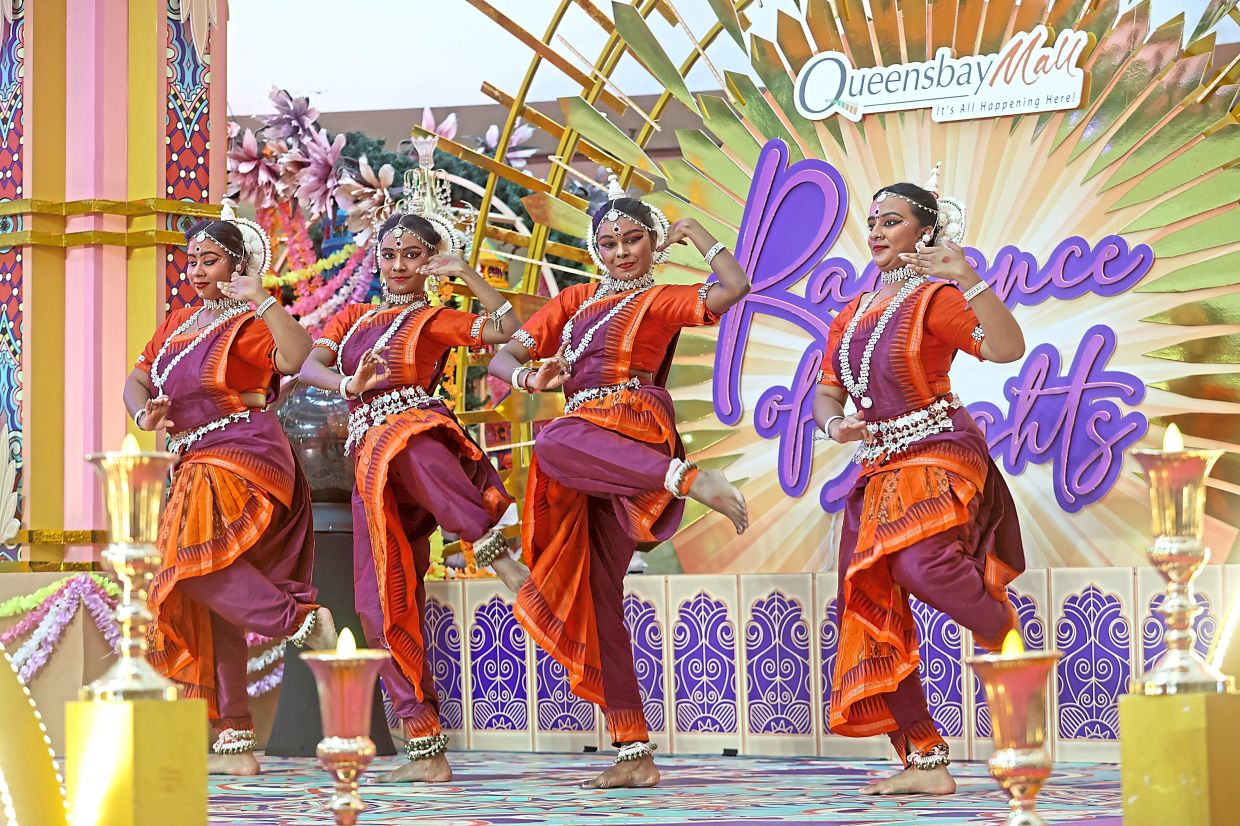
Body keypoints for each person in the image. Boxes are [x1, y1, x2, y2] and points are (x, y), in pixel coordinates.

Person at [489, 177, 750, 789]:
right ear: (595, 248)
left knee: (550, 442)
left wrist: (702, 237)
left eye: (634, 240)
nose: (621, 252)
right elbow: (501, 355)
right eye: (608, 242)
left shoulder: (660, 298)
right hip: (586, 445)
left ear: (654, 245)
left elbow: (732, 288)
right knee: (595, 597)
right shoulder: (575, 300)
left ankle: (687, 478)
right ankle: (634, 750)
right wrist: (533, 379)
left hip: (631, 431)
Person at [812, 167, 1026, 795]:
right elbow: (826, 394)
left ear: (926, 233)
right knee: (874, 597)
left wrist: (967, 277)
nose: (876, 231)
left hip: (937, 449)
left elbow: (1007, 347)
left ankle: (1007, 641)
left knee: (920, 568)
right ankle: (924, 761)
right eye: (873, 221)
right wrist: (836, 429)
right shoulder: (850, 314)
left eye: (893, 221)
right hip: (877, 464)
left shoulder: (936, 298)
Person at [299, 211, 526, 782]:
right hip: (369, 466)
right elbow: (307, 364)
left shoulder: (434, 318)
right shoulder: (354, 317)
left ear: (430, 262)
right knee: (379, 597)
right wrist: (346, 385)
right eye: (391, 254)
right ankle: (425, 747)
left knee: (411, 445)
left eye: (414, 255)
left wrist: (469, 276)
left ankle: (492, 545)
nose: (399, 265)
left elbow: (507, 333)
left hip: (416, 434)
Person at [124, 203, 335, 775]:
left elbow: (293, 357)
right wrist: (145, 413)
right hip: (191, 456)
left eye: (209, 259)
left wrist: (261, 298)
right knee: (200, 590)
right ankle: (236, 742)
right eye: (191, 260)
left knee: (187, 565)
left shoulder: (246, 323)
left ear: (237, 264)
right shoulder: (176, 324)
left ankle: (298, 622)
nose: (195, 270)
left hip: (241, 449)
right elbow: (136, 377)